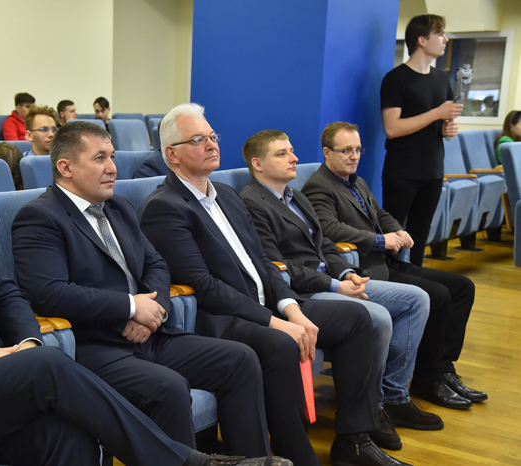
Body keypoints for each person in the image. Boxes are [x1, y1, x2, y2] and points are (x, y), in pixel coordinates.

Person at [0, 113, 286, 466]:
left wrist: (26, 342)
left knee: (71, 437)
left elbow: (5, 294)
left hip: (1, 379)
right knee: (47, 364)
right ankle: (189, 462)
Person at [141, 104, 411, 466]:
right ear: (172, 154)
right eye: (197, 140)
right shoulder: (165, 206)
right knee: (282, 342)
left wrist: (291, 308)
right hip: (222, 318)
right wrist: (275, 321)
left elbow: (264, 262)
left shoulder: (227, 195)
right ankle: (294, 454)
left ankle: (354, 441)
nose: (211, 144)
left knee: (357, 319)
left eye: (212, 136)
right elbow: (204, 286)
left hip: (267, 306)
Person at [11, 120, 271, 457]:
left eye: (112, 157)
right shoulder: (39, 217)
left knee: (240, 359)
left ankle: (252, 462)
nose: (112, 168)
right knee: (168, 388)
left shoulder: (117, 207)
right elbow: (50, 293)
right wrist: (130, 308)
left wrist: (153, 311)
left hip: (150, 334)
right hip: (96, 347)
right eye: (100, 158)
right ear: (66, 167)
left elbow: (157, 264)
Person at [239, 130, 442, 449]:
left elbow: (325, 245)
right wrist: (336, 285)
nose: (294, 158)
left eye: (292, 150)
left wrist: (348, 273)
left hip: (333, 278)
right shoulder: (251, 202)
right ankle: (373, 408)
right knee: (377, 317)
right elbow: (277, 267)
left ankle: (393, 396)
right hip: (302, 292)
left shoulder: (295, 195)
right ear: (258, 164)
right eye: (282, 153)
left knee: (417, 298)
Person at [302, 121, 486, 413]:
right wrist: (380, 240)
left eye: (358, 149)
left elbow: (380, 213)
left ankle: (443, 368)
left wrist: (398, 231)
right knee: (438, 295)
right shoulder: (318, 186)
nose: (354, 156)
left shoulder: (355, 181)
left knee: (463, 287)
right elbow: (330, 228)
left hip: (389, 260)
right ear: (327, 152)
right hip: (368, 267)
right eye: (346, 150)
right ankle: (427, 378)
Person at [380, 14, 461, 267]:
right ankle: (390, 280)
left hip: (433, 170)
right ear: (422, 40)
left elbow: (440, 126)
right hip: (402, 171)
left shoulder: (442, 79)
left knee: (421, 233)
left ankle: (417, 281)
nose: (445, 40)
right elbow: (392, 128)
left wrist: (447, 129)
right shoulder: (396, 78)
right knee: (394, 233)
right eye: (440, 34)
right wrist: (437, 113)